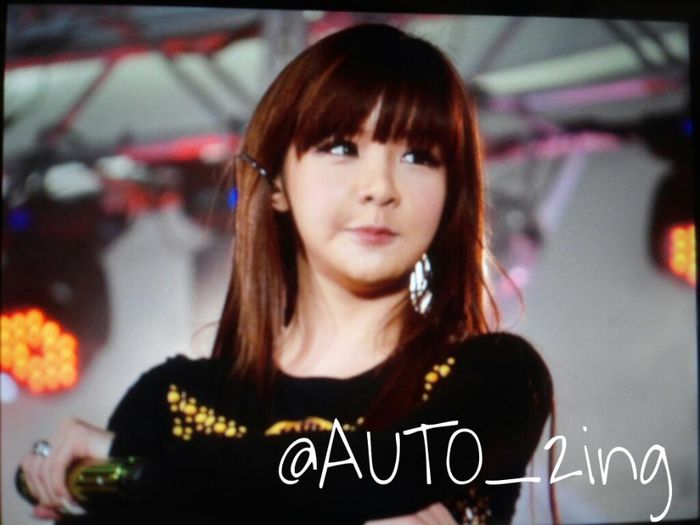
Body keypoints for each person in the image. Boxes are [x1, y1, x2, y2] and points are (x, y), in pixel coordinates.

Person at [19, 23, 553, 524]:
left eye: (419, 156)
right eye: (342, 148)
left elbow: (364, 481)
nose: (380, 188)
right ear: (276, 184)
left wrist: (138, 468)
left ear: (451, 192)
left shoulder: (496, 379)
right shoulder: (169, 402)